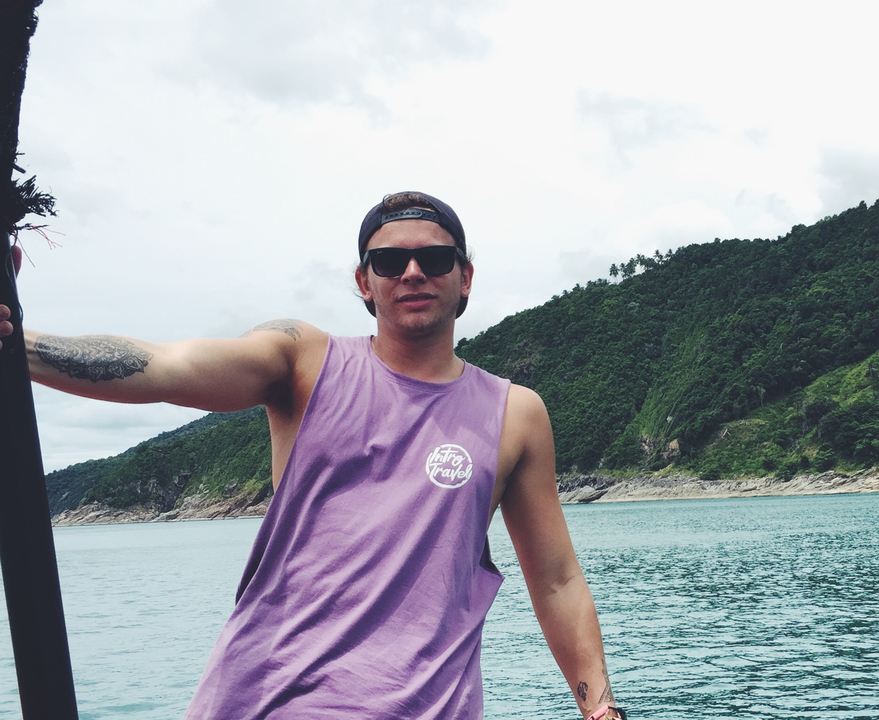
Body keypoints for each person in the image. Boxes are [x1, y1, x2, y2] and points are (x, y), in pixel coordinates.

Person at [0, 192, 625, 720]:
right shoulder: (305, 362)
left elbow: (557, 578)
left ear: (465, 277)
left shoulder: (515, 413)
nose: (412, 271)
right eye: (389, 259)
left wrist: (600, 709)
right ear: (364, 280)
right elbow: (167, 367)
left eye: (434, 258)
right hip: (272, 699)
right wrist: (17, 342)